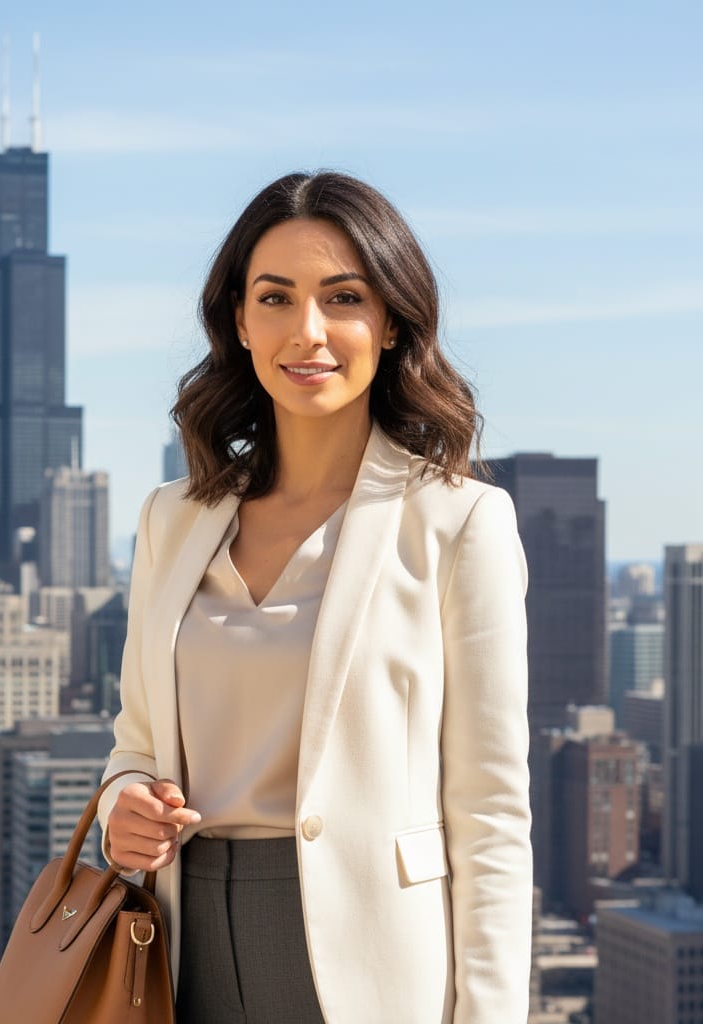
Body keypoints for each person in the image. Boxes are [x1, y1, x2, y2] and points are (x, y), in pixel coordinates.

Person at [97, 171, 532, 1024]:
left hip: (370, 960)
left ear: (392, 321)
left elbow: (489, 814)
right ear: (238, 321)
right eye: (275, 297)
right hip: (182, 954)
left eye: (343, 298)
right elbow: (135, 745)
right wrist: (124, 808)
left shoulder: (457, 522)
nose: (309, 332)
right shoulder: (171, 521)